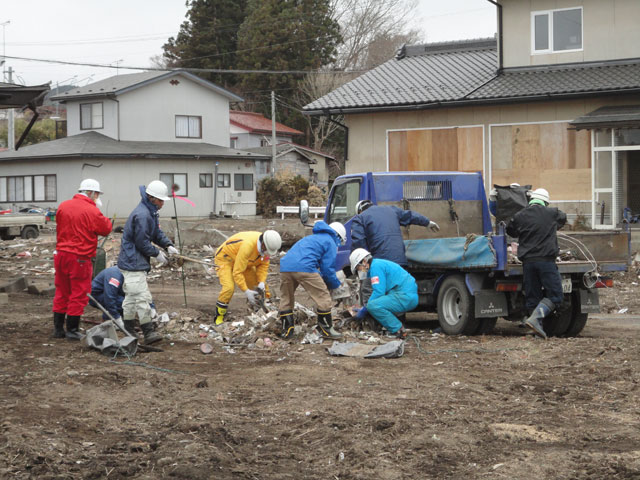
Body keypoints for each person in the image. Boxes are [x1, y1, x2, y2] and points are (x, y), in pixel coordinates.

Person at [117, 180, 179, 344]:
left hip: (131, 261)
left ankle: (128, 329)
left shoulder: (149, 211)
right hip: (133, 262)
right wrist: (157, 253)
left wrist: (167, 244)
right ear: (152, 198)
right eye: (161, 201)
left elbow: (155, 232)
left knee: (131, 298)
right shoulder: (143, 215)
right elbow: (142, 242)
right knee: (143, 298)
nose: (162, 204)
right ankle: (148, 331)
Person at [52, 179, 113, 340]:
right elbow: (105, 228)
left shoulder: (63, 206)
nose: (97, 197)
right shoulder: (91, 211)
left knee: (62, 291)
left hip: (61, 254)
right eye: (97, 194)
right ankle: (72, 330)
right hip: (79, 257)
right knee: (78, 293)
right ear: (91, 193)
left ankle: (58, 329)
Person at [506, 188, 567, 339]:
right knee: (555, 296)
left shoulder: (520, 216)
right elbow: (563, 219)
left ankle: (536, 329)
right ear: (545, 202)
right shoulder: (552, 213)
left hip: (528, 263)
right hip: (546, 261)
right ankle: (535, 319)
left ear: (531, 200)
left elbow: (511, 231)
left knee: (533, 297)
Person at [278, 221, 346, 340]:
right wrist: (335, 285)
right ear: (338, 236)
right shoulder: (330, 241)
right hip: (305, 267)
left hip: (285, 266)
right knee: (323, 296)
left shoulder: (312, 238)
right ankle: (326, 329)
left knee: (286, 298)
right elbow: (327, 270)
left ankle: (287, 330)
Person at [213, 230, 282, 325]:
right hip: (226, 258)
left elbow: (263, 266)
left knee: (260, 287)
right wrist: (246, 291)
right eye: (268, 250)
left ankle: (262, 313)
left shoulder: (266, 249)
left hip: (247, 261)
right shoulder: (248, 246)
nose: (268, 253)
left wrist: (261, 282)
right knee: (228, 288)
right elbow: (237, 272)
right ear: (263, 245)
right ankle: (219, 318)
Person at [349, 248, 418, 339]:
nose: (360, 270)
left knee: (373, 306)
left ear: (364, 261)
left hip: (404, 296)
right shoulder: (378, 264)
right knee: (376, 303)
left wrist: (365, 308)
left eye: (359, 267)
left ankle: (398, 330)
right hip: (405, 294)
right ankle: (396, 327)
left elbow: (379, 292)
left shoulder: (375, 267)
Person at [351, 200, 439, 268]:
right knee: (398, 290)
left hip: (380, 264)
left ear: (360, 211)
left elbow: (359, 243)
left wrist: (364, 267)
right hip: (400, 261)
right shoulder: (391, 210)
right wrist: (427, 222)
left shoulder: (360, 218)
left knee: (370, 289)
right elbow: (410, 216)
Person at [89, 265, 156, 324]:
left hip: (115, 293)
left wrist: (151, 307)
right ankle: (109, 319)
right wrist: (116, 317)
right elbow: (109, 297)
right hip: (96, 295)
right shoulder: (115, 276)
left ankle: (120, 315)